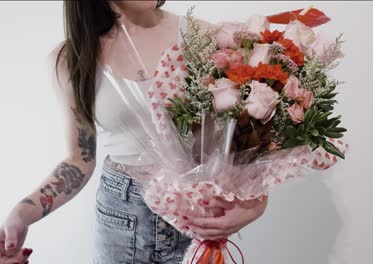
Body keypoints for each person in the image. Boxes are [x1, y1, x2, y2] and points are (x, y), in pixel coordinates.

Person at [0, 1, 268, 263]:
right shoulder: (72, 59)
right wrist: (23, 213)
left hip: (197, 219)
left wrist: (256, 203)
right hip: (120, 221)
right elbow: (79, 159)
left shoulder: (206, 38)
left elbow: (249, 135)